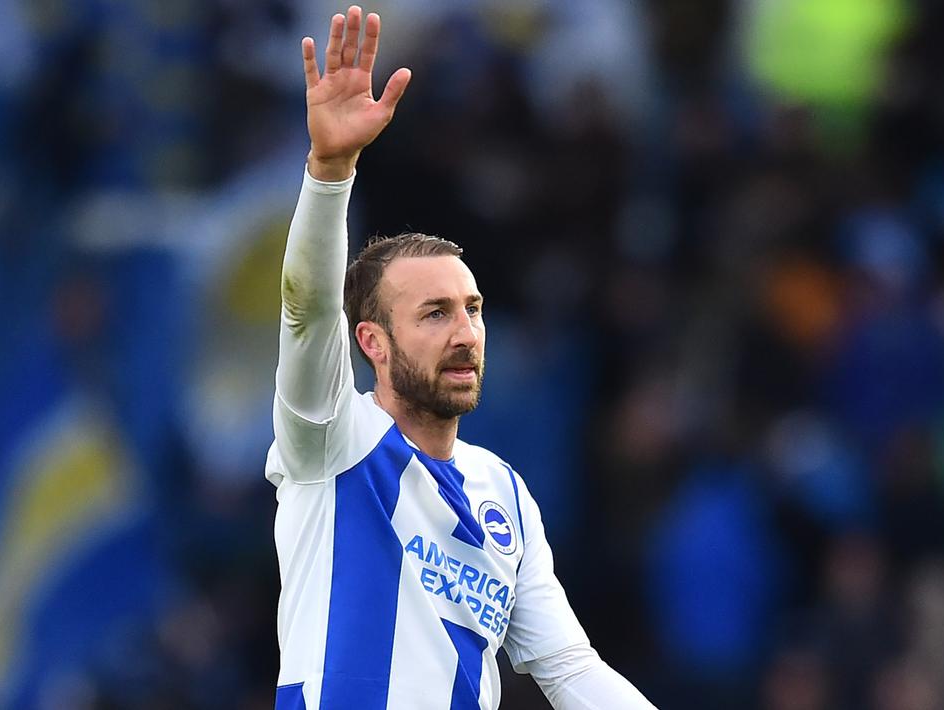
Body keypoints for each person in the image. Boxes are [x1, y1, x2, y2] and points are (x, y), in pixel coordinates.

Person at [264, 6, 658, 709]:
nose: (465, 332)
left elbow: (570, 670)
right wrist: (330, 172)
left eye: (472, 310)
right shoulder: (333, 441)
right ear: (372, 343)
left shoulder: (503, 493)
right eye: (434, 313)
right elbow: (307, 309)